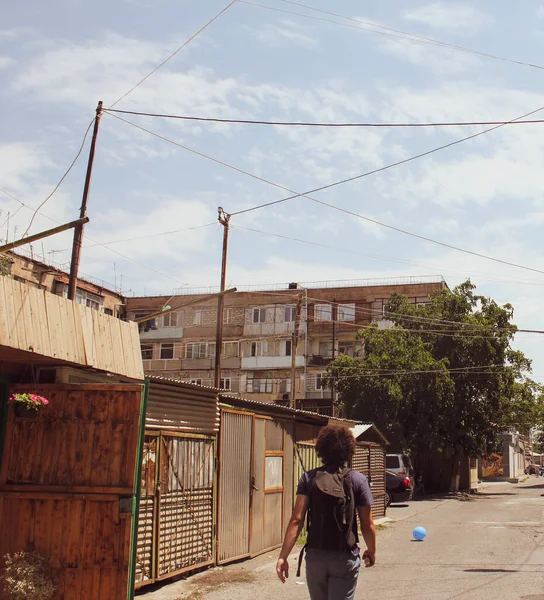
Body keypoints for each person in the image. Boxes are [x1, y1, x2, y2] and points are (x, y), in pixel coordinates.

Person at [276, 426, 376, 600]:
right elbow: (367, 524)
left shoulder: (308, 478)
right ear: (349, 450)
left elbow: (297, 520)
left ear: (321, 450)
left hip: (315, 557)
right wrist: (371, 550)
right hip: (344, 557)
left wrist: (283, 557)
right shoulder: (358, 480)